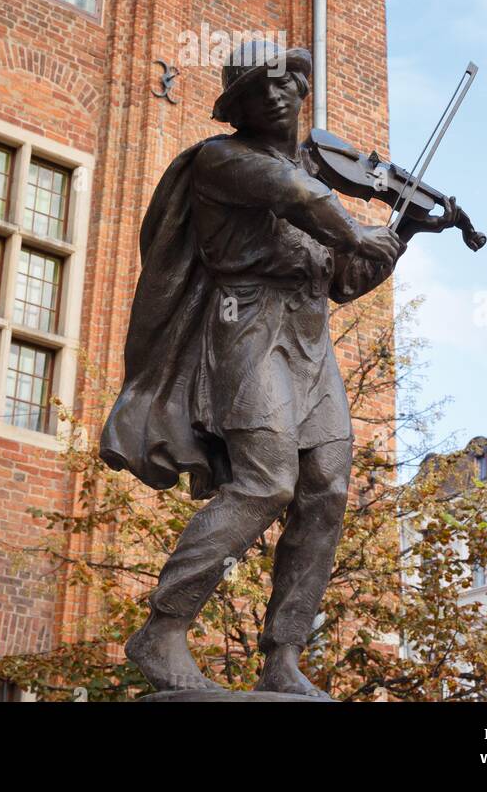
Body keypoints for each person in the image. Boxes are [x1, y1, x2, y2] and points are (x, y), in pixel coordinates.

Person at [101, 40, 403, 698]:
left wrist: (385, 250)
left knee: (326, 489)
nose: (272, 96)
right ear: (237, 108)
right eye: (254, 90)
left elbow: (338, 280)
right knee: (267, 482)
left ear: (301, 91)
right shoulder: (225, 160)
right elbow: (299, 199)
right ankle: (163, 627)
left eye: (282, 84)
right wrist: (356, 231)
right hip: (249, 331)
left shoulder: (313, 178)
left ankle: (284, 654)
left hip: (309, 342)